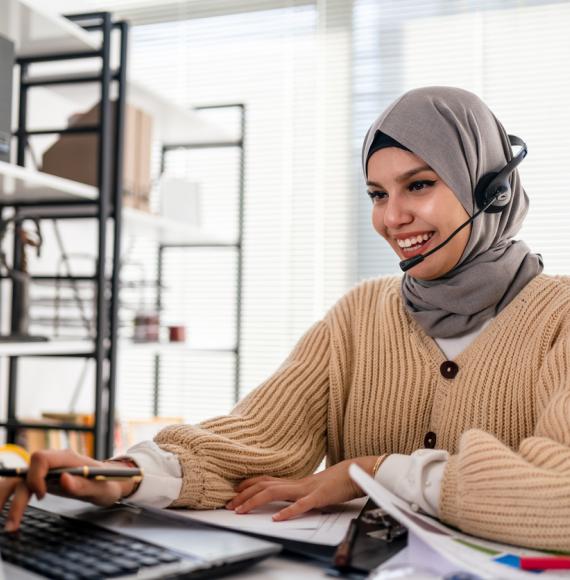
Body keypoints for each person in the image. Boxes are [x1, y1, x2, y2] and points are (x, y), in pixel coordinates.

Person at [2, 86, 569, 552]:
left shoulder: (560, 317)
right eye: (376, 193)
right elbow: (254, 441)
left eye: (418, 185)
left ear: (490, 190)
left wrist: (373, 471)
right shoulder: (358, 315)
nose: (392, 218)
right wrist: (117, 475)